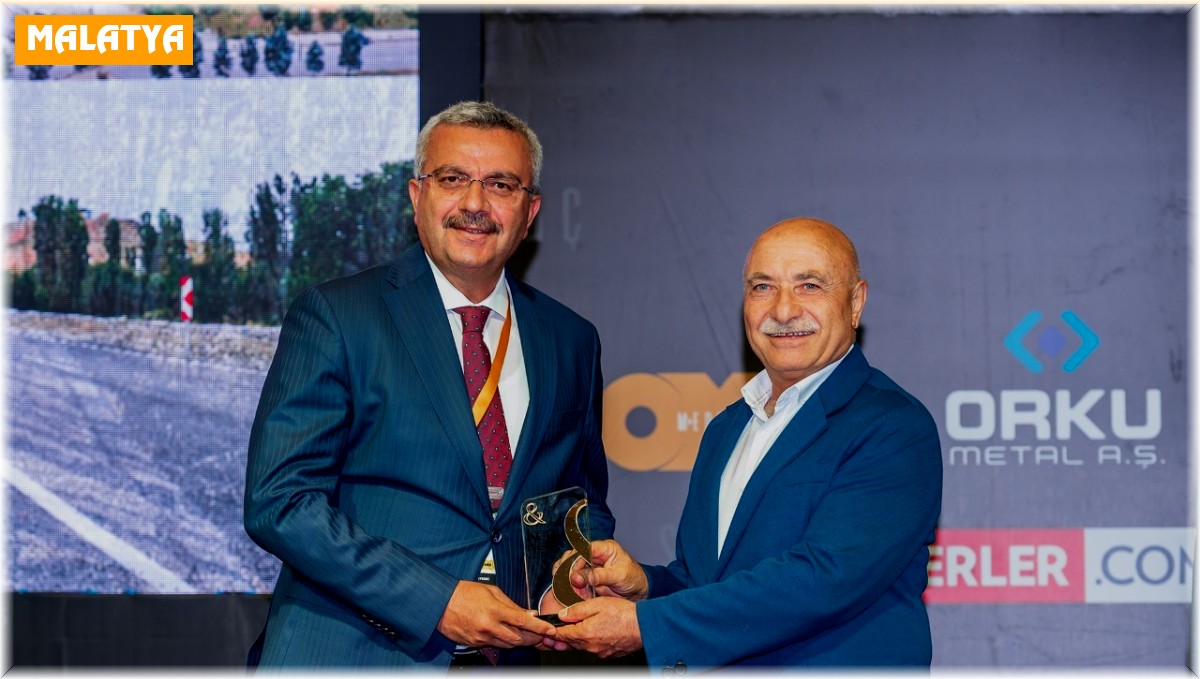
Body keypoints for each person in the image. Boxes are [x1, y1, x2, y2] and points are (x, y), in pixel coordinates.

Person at [243, 101, 614, 669]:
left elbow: (580, 504)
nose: (475, 204)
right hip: (353, 655)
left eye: (501, 185)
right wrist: (434, 600)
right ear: (417, 196)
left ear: (530, 211)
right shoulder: (338, 315)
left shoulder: (572, 339)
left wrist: (573, 574)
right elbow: (280, 502)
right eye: (453, 179)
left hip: (513, 656)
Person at [552, 217, 942, 670]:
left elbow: (824, 579)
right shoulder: (727, 428)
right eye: (762, 287)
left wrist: (646, 624)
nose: (783, 310)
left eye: (809, 285)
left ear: (855, 303)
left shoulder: (892, 425)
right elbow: (707, 582)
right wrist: (645, 586)